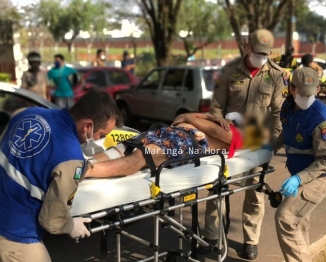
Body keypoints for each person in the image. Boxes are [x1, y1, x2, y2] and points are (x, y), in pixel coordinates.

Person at [0, 90, 122, 261]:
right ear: (88, 126)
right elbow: (52, 220)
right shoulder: (70, 157)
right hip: (14, 235)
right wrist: (71, 225)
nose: (99, 140)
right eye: (101, 135)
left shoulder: (26, 114)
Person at [201, 28, 286, 259]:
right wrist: (218, 129)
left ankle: (251, 240)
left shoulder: (276, 75)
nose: (262, 57)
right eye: (258, 52)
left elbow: (278, 113)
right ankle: (210, 235)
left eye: (266, 53)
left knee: (255, 192)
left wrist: (273, 145)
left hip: (258, 141)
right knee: (217, 188)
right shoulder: (229, 71)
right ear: (248, 47)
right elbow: (216, 107)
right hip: (229, 140)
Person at [264, 67, 326, 262]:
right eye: (302, 93)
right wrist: (270, 149)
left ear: (317, 89)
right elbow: (286, 133)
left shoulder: (323, 119)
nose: (307, 98)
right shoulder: (289, 107)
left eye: (311, 93)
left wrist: (299, 179)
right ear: (292, 89)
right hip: (301, 171)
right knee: (297, 221)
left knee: (286, 218)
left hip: (322, 174)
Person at [83, 112, 265, 178]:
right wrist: (209, 116)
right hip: (172, 133)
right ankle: (80, 161)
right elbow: (180, 118)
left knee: (144, 155)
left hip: (187, 142)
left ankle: (87, 170)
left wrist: (190, 118)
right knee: (126, 146)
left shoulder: (239, 134)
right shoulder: (224, 123)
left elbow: (215, 132)